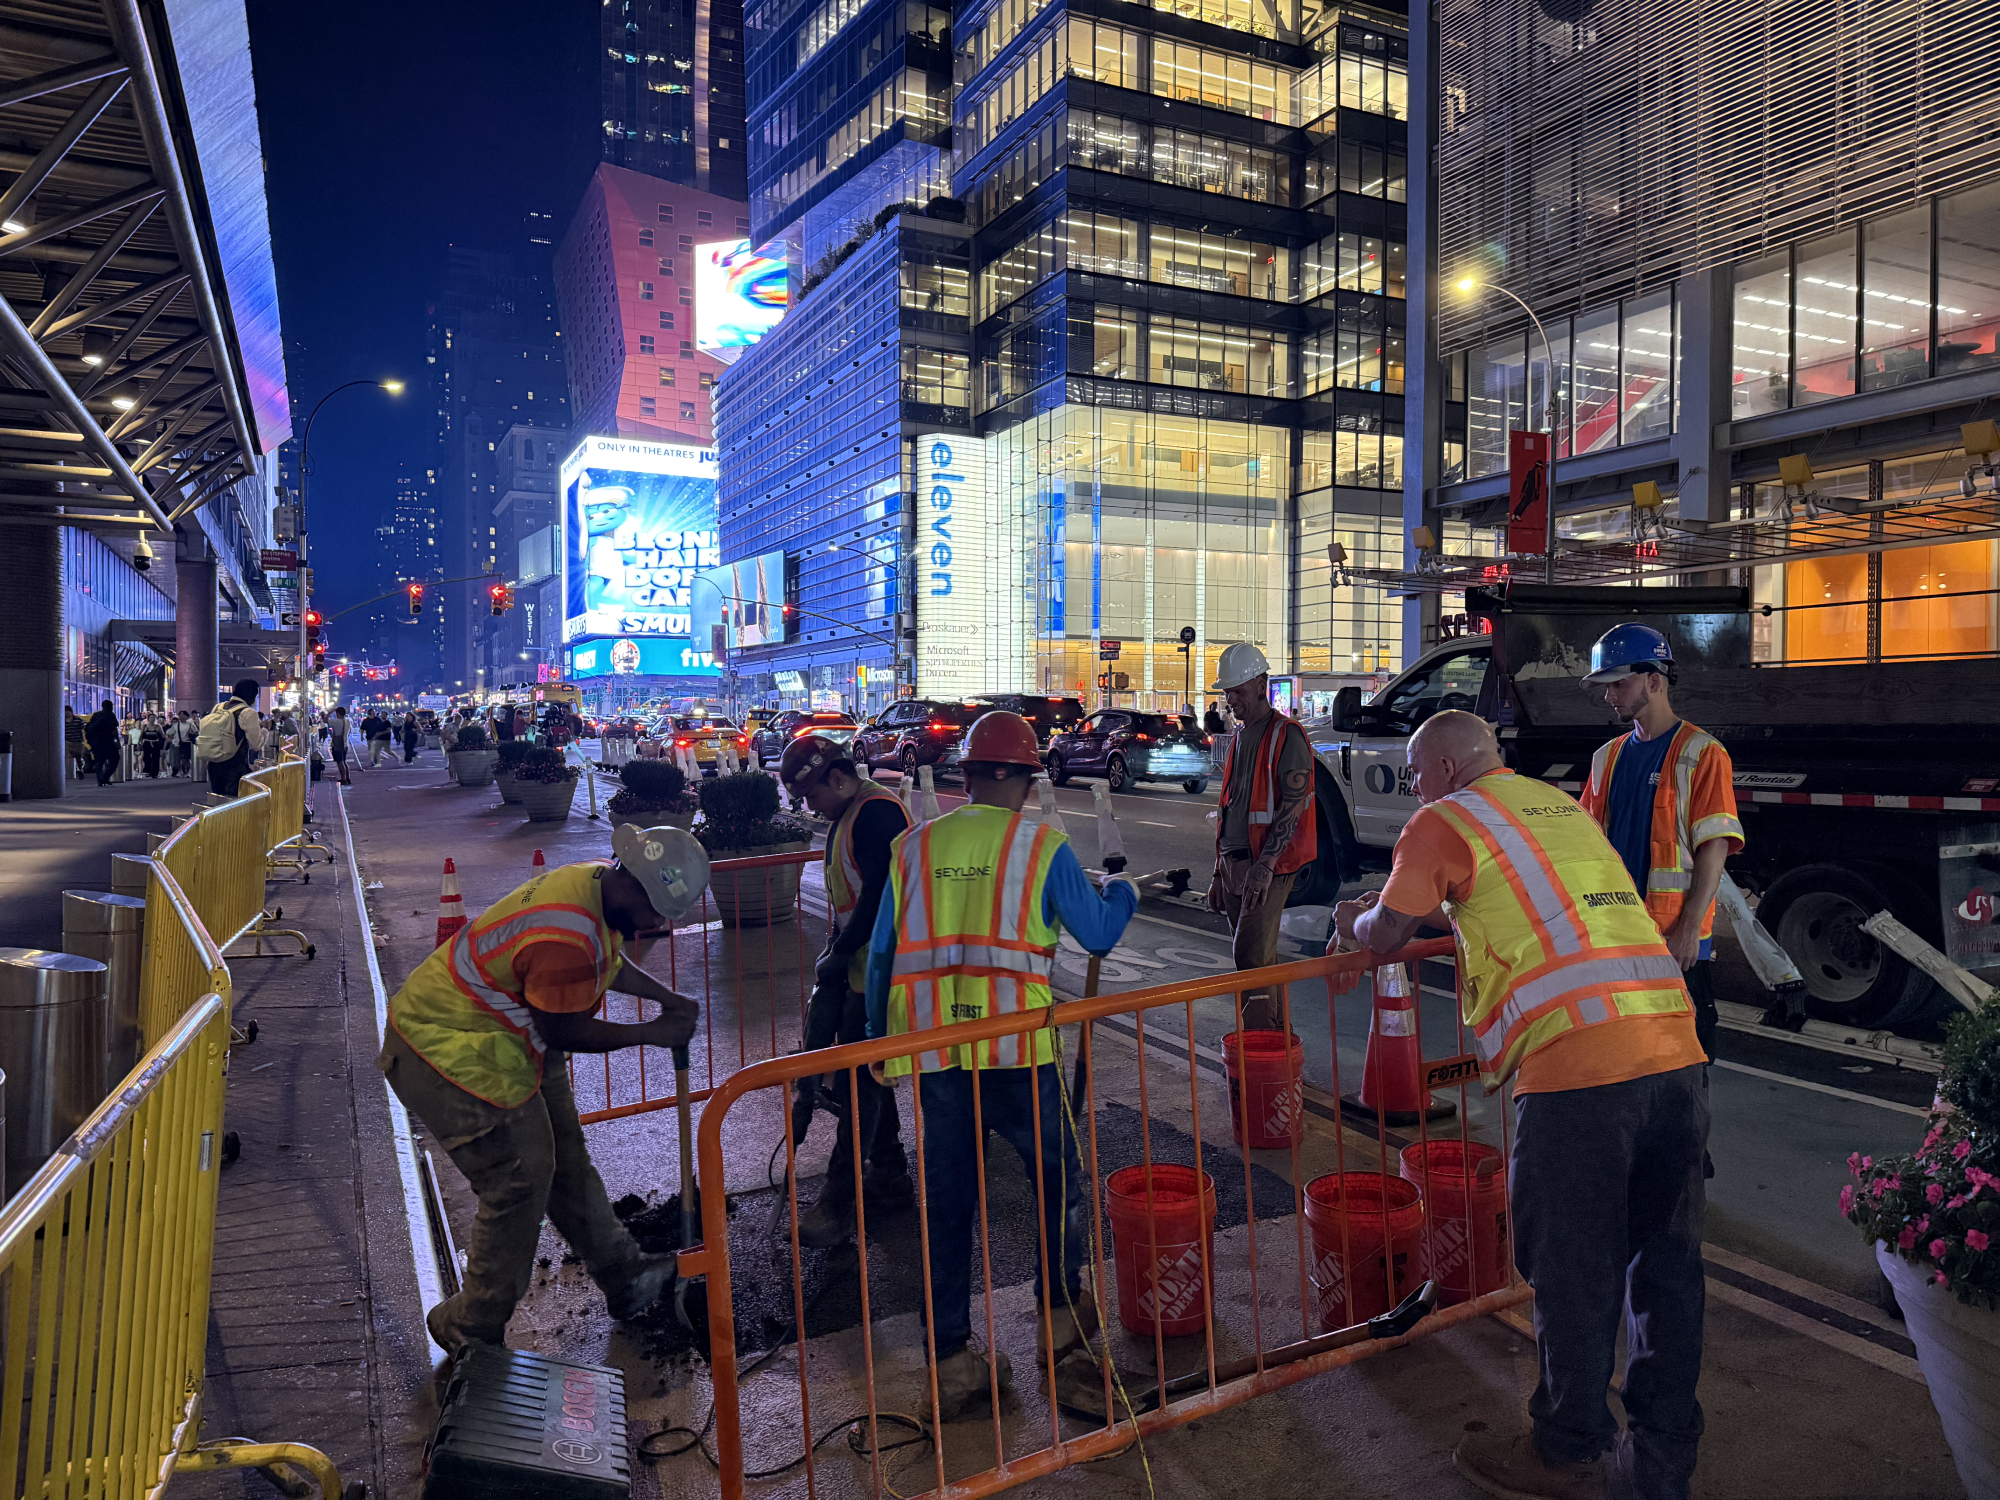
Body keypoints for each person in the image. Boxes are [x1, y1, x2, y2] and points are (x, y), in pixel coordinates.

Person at [1332, 711, 1706, 1500]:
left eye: (1410, 776)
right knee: (1667, 1268)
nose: (1412, 790)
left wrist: (1354, 917)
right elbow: (1518, 900)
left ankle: (1568, 1449)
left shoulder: (1442, 820)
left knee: (1574, 1266)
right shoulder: (1553, 806)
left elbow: (1389, 931)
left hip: (1581, 1066)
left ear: (1437, 770)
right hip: (1674, 1051)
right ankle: (1664, 1464)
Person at [865, 711, 1141, 1423]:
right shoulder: (1040, 847)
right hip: (1022, 1054)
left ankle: (952, 1362)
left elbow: (878, 959)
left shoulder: (911, 847)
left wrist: (876, 1045)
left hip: (938, 1059)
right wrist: (1125, 891)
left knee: (950, 1205)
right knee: (1057, 1189)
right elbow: (1101, 932)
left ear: (964, 774)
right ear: (1023, 779)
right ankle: (1059, 1330)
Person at [379, 825, 702, 1353]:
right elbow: (565, 1029)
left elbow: (606, 963)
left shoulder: (593, 886)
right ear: (634, 885)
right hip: (447, 1047)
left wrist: (666, 998)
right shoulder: (566, 933)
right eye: (658, 912)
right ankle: (469, 1327)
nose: (659, 925)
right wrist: (652, 1033)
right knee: (520, 1180)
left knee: (566, 1161)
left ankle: (625, 1279)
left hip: (506, 1034)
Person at [1578, 625, 1748, 1051]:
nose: (1609, 695)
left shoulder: (1702, 753)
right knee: (1626, 1052)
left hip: (1674, 940)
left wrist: (1690, 926)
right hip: (1618, 933)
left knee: (1685, 1057)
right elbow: (1584, 842)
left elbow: (1715, 846)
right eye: (1605, 685)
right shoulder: (1607, 757)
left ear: (1654, 681)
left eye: (1618, 682)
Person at [779, 734, 914, 1247]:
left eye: (813, 793)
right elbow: (851, 897)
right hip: (861, 968)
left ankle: (838, 1199)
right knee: (871, 1073)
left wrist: (842, 949)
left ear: (837, 777)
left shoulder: (877, 813)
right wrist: (835, 950)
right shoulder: (846, 815)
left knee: (862, 1080)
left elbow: (882, 899)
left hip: (886, 971)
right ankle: (889, 1174)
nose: (810, 805)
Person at [1205, 642, 1315, 1031]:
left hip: (1265, 865)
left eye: (1237, 690)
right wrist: (1220, 872)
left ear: (1261, 684)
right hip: (1236, 865)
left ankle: (1258, 1046)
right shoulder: (1239, 738)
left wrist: (1266, 866)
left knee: (1250, 959)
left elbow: (1293, 804)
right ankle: (1275, 1043)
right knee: (1258, 960)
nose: (1230, 699)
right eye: (1227, 691)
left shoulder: (1287, 735)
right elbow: (1230, 809)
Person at [199, 679, 266, 796]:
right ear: (253, 696)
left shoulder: (218, 707)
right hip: (234, 765)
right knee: (235, 805)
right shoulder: (248, 712)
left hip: (214, 763)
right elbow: (256, 745)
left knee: (219, 803)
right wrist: (265, 731)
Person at [85, 700, 120, 785]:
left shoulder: (96, 715)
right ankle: (105, 776)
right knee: (115, 759)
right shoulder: (110, 715)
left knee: (100, 761)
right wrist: (117, 741)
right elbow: (114, 730)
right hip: (107, 741)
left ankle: (100, 778)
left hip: (96, 742)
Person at [327, 705, 351, 782]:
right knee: (344, 761)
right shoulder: (347, 721)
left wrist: (329, 712)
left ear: (337, 714)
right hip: (345, 743)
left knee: (340, 762)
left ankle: (343, 778)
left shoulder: (336, 721)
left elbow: (325, 721)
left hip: (338, 743)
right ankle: (347, 778)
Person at [65, 707, 87, 779]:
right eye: (65, 712)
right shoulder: (61, 720)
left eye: (68, 712)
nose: (67, 714)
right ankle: (67, 772)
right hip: (67, 742)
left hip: (78, 742)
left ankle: (80, 769)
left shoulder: (78, 720)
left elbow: (85, 726)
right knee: (67, 756)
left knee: (79, 757)